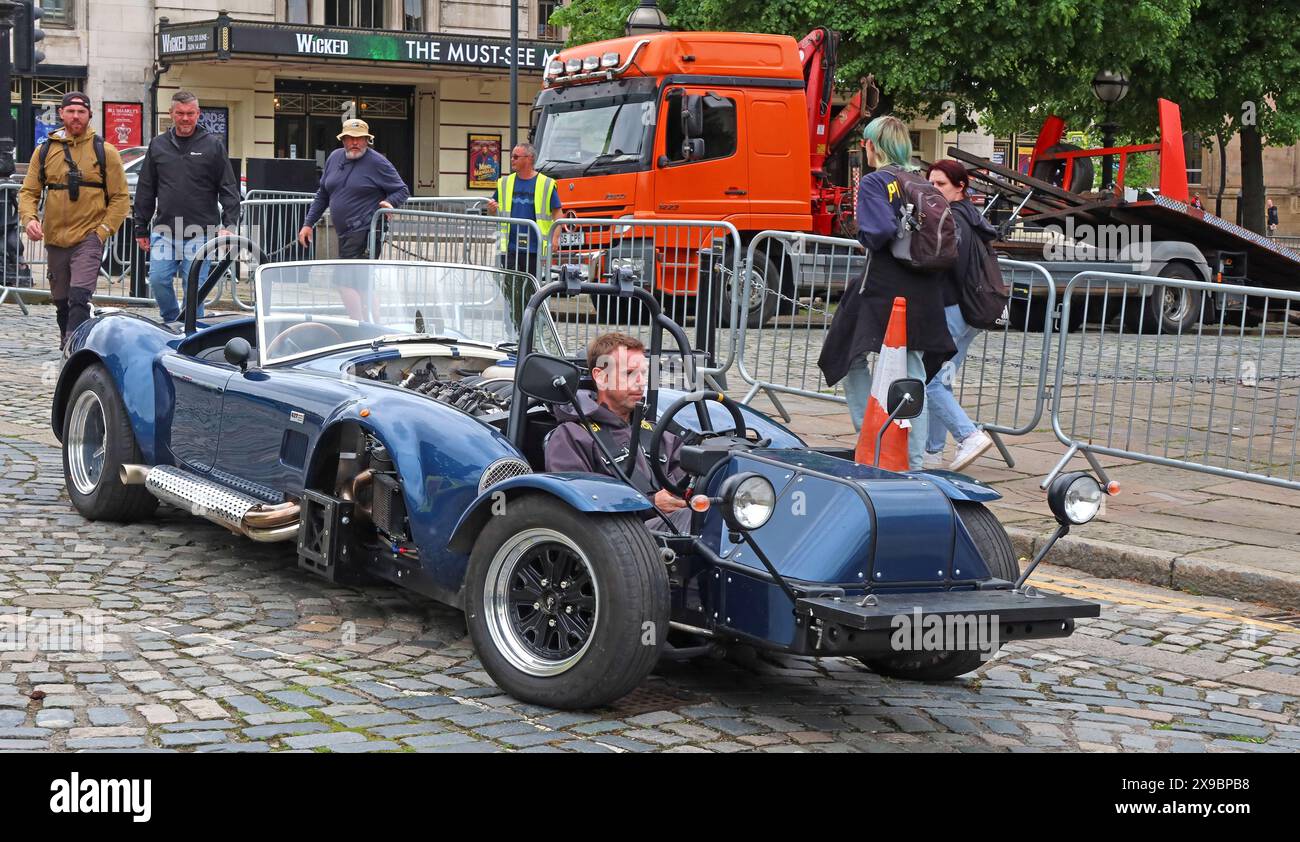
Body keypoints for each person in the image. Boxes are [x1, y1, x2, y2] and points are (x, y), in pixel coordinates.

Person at [817, 117, 954, 471]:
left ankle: (871, 438)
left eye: (865, 144)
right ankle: (913, 459)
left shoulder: (877, 181)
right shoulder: (921, 182)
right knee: (912, 372)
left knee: (847, 356)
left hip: (883, 289)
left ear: (872, 146)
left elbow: (877, 231)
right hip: (923, 289)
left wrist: (863, 235)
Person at [545, 332, 693, 532]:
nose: (640, 382)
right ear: (600, 376)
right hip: (616, 543)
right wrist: (651, 505)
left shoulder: (655, 433)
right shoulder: (572, 437)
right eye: (629, 373)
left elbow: (689, 481)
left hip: (673, 535)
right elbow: (575, 513)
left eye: (643, 373)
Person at [19, 92, 130, 348]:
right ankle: (66, 338)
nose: (76, 117)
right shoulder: (45, 150)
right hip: (56, 237)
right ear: (61, 114)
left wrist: (102, 231)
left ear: (89, 115)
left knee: (79, 296)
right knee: (61, 299)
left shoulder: (105, 151)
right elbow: (28, 192)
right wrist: (29, 218)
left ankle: (74, 346)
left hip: (89, 236)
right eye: (71, 111)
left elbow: (120, 198)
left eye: (81, 112)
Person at [132, 91, 241, 324]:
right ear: (171, 113)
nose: (185, 118)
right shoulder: (158, 145)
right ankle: (173, 322)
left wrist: (229, 225)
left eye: (190, 113)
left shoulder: (213, 146)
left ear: (198, 114)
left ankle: (191, 331)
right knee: (159, 280)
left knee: (194, 288)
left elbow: (229, 188)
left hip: (201, 233)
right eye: (180, 113)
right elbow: (145, 188)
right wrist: (140, 228)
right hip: (164, 231)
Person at [922, 160, 995, 471]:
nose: (933, 189)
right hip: (969, 313)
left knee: (929, 382)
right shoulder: (970, 216)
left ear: (960, 186)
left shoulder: (954, 218)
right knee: (944, 380)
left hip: (952, 310)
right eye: (931, 184)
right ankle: (932, 452)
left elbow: (950, 264)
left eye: (940, 184)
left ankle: (969, 436)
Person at [298, 119, 409, 318]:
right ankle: (371, 325)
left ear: (367, 140)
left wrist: (390, 202)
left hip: (365, 230)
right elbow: (323, 193)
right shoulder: (334, 158)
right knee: (362, 283)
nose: (355, 143)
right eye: (350, 138)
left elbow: (402, 190)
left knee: (343, 282)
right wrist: (308, 223)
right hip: (346, 232)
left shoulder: (378, 162)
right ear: (343, 140)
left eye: (360, 139)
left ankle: (359, 324)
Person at [485, 143, 561, 319]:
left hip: (534, 248)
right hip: (509, 246)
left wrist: (555, 238)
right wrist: (491, 208)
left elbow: (558, 213)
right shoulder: (505, 182)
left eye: (516, 157)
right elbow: (494, 208)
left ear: (529, 159)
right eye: (512, 156)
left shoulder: (546, 184)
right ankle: (513, 326)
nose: (512, 160)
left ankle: (530, 328)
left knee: (531, 291)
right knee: (511, 290)